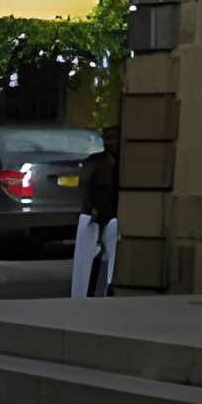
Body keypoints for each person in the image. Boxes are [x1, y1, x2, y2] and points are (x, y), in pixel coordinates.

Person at [71, 123, 121, 299]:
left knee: (106, 257)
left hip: (110, 215)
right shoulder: (97, 161)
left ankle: (104, 288)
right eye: (107, 138)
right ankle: (91, 291)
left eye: (113, 138)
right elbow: (85, 187)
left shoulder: (115, 162)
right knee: (91, 258)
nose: (109, 142)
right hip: (97, 214)